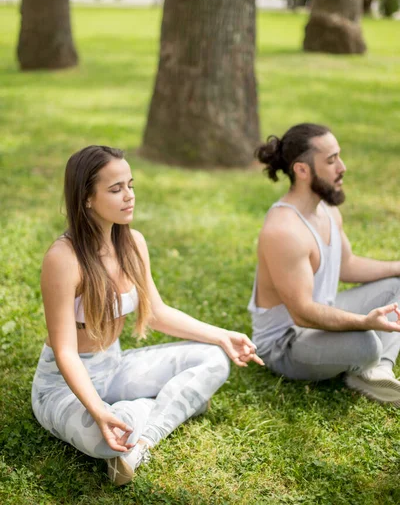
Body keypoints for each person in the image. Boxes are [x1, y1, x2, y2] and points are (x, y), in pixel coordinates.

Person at [32, 145, 263, 486]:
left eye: (130, 184)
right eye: (115, 189)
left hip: (114, 366)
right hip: (62, 386)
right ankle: (173, 401)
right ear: (86, 199)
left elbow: (155, 313)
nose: (129, 196)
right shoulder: (63, 259)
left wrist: (221, 335)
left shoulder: (133, 243)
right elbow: (65, 352)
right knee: (104, 439)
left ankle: (142, 444)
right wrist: (98, 410)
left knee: (214, 359)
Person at [248, 123, 400, 405]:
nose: (342, 167)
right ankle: (364, 361)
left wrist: (397, 267)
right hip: (286, 344)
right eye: (331, 161)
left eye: (339, 157)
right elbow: (303, 313)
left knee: (396, 286)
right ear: (302, 170)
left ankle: (377, 372)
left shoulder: (327, 208)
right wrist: (363, 322)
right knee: (366, 341)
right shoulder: (284, 230)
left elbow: (347, 265)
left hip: (321, 317)